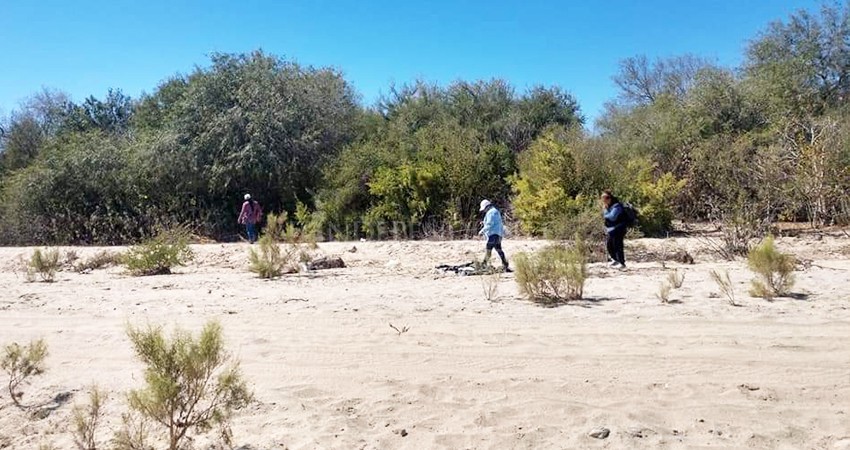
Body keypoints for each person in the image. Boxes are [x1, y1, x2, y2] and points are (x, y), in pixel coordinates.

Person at [478, 199, 512, 272]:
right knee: (499, 249)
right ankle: (505, 264)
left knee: (488, 249)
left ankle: (484, 264)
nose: (484, 211)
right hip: (498, 234)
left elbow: (490, 224)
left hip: (493, 235)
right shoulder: (495, 211)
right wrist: (484, 223)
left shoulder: (491, 212)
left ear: (487, 207)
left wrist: (482, 231)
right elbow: (493, 222)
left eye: (484, 209)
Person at [601, 190, 627, 269]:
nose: (604, 200)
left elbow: (612, 217)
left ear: (609, 198)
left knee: (618, 245)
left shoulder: (617, 206)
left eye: (605, 198)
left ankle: (622, 263)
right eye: (603, 198)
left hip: (619, 228)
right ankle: (615, 260)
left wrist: (605, 213)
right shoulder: (607, 207)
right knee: (609, 245)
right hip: (611, 229)